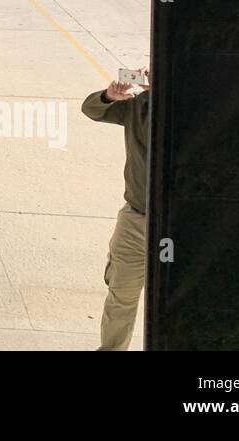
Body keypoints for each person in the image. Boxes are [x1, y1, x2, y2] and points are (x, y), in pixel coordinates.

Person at [83, 70, 150, 351]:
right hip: (136, 218)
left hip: (181, 221)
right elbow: (90, 109)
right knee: (120, 296)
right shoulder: (136, 105)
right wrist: (109, 96)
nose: (145, 72)